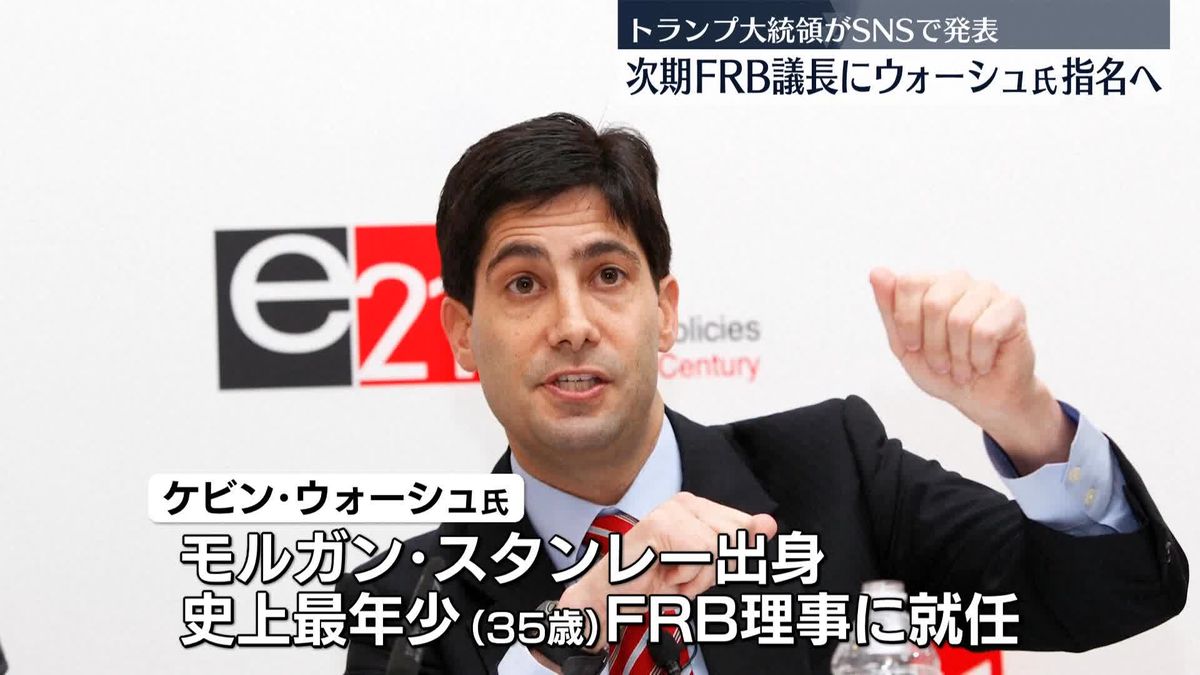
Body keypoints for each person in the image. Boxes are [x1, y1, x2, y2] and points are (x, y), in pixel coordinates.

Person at [337, 112, 1187, 675]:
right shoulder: (407, 597)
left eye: (607, 275)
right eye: (523, 284)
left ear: (665, 312)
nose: (572, 324)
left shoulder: (835, 472)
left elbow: (1113, 594)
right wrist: (576, 627)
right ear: (461, 332)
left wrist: (1023, 416)